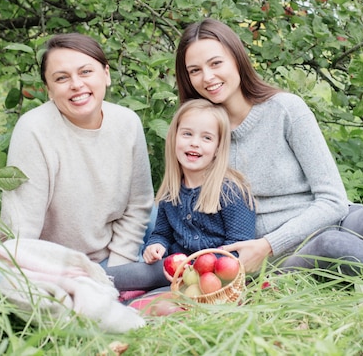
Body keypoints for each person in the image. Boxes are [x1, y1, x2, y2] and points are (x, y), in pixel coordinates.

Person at [174, 18, 363, 283]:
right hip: (272, 256)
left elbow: (333, 200)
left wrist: (271, 243)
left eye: (216, 63)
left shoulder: (285, 110)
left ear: (236, 60)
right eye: (195, 70)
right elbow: (181, 201)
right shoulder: (198, 136)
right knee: (332, 246)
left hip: (325, 220)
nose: (207, 77)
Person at [0, 32, 156, 281]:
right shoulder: (33, 130)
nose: (76, 84)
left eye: (85, 72)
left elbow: (138, 205)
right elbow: (19, 231)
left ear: (106, 74)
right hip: (56, 267)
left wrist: (117, 272)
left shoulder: (127, 122)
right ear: (49, 90)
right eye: (61, 78)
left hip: (115, 255)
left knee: (164, 216)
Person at [105, 98, 256, 290]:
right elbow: (161, 234)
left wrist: (198, 268)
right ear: (174, 138)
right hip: (173, 270)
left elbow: (238, 248)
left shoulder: (231, 191)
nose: (194, 143)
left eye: (206, 138)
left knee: (156, 301)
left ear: (218, 148)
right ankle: (86, 280)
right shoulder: (172, 192)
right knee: (128, 276)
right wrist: (156, 246)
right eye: (187, 134)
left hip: (214, 277)